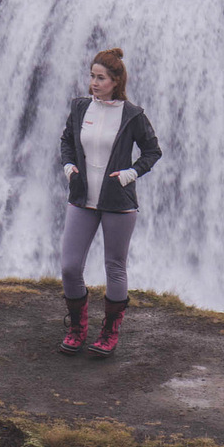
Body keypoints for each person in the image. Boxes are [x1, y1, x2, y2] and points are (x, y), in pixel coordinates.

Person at [57, 47, 161, 357]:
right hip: (82, 199)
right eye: (91, 76)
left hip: (118, 202)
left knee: (115, 268)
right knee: (69, 266)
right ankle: (77, 328)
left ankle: (109, 333)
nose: (94, 83)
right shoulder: (79, 109)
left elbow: (152, 151)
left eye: (100, 78)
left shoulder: (132, 115)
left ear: (116, 81)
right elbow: (66, 141)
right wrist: (68, 165)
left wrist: (132, 173)